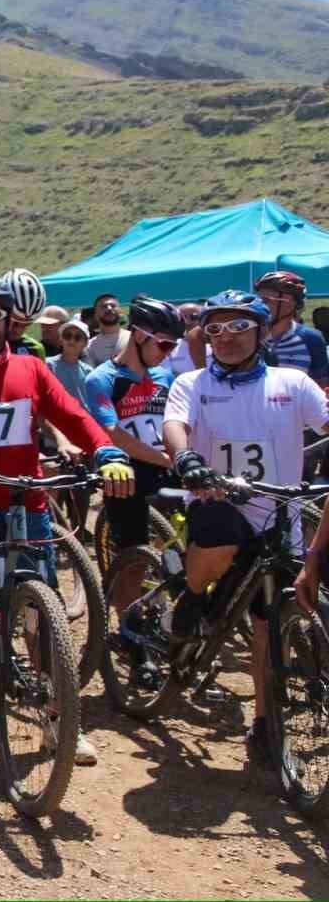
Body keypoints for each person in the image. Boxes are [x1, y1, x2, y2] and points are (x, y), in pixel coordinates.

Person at [0, 274, 133, 768]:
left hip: (25, 501)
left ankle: (60, 717)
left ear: (9, 319)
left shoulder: (33, 369)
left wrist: (107, 449)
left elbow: (73, 414)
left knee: (42, 618)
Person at [164, 290, 329, 758]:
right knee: (218, 532)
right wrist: (187, 457)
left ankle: (262, 722)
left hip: (280, 519)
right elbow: (175, 425)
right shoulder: (193, 383)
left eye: (239, 327)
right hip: (219, 504)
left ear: (260, 331)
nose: (227, 338)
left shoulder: (292, 383)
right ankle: (192, 596)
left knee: (267, 627)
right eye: (215, 329)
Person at [83, 297, 182, 636]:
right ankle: (129, 631)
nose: (169, 352)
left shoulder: (165, 377)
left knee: (175, 551)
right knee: (134, 560)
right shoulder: (102, 378)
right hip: (126, 474)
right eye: (165, 344)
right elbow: (112, 433)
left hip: (165, 470)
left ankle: (168, 618)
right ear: (138, 336)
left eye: (174, 345)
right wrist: (163, 458)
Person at [255, 270, 329, 387]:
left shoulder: (312, 339)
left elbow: (321, 385)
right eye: (258, 300)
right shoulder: (250, 335)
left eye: (266, 301)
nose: (259, 306)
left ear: (290, 304)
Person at [46, 318, 93, 407]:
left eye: (77, 338)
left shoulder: (89, 371)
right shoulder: (47, 365)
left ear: (86, 343)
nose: (72, 341)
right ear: (61, 340)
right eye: (67, 336)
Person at [86, 292, 131, 367]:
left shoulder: (133, 339)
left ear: (120, 312)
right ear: (96, 315)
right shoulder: (89, 346)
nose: (109, 308)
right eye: (103, 307)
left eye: (113, 306)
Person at [164, 302, 206, 376]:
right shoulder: (168, 346)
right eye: (182, 318)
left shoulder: (214, 344)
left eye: (193, 317)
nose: (187, 322)